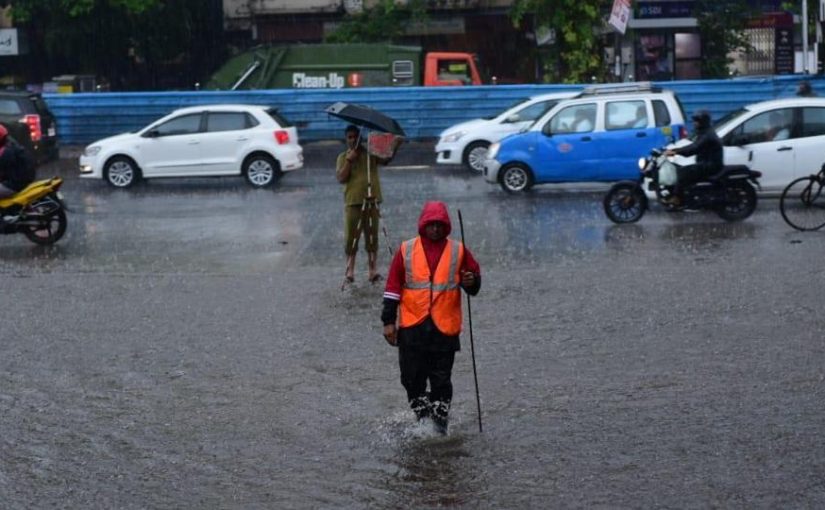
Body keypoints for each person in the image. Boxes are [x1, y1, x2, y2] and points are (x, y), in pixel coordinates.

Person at [381, 201, 481, 435]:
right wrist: (388, 321)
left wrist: (472, 281)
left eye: (439, 225)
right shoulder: (406, 250)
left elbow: (473, 284)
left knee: (441, 381)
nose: (435, 229)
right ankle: (422, 416)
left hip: (444, 330)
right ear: (423, 225)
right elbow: (392, 287)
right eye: (431, 225)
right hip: (412, 328)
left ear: (445, 226)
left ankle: (439, 422)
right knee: (411, 379)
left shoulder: (458, 251)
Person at [336, 124, 400, 283]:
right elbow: (341, 178)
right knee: (352, 237)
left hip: (372, 200)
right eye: (349, 137)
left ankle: (373, 270)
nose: (352, 140)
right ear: (346, 139)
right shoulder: (343, 157)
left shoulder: (370, 153)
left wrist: (396, 145)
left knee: (372, 236)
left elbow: (386, 159)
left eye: (355, 137)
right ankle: (350, 271)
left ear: (360, 138)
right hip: (353, 202)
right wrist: (349, 162)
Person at [663, 110, 723, 206]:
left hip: (710, 165)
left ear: (703, 122)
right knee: (678, 168)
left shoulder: (707, 135)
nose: (694, 123)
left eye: (697, 121)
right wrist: (674, 150)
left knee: (682, 172)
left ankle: (677, 198)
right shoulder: (704, 132)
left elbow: (694, 148)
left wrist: (675, 152)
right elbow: (693, 146)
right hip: (706, 162)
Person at [0, 124, 34, 200]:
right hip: (23, 182)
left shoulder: (4, 152)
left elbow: (2, 173)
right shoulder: (13, 146)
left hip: (13, 185)